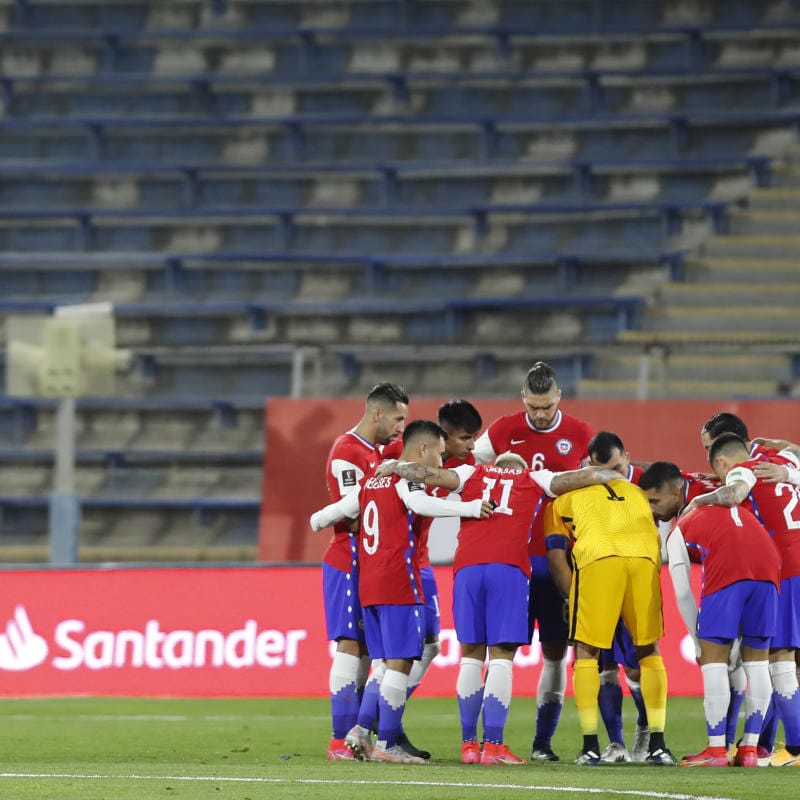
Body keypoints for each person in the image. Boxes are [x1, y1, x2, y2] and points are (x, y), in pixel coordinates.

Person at [381, 454, 623, 765]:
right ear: (520, 469)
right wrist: (617, 476)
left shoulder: (471, 472)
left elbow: (426, 473)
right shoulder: (533, 478)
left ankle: (468, 746)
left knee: (470, 656)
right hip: (507, 569)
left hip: (467, 569)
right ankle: (493, 747)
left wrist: (395, 466)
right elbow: (582, 476)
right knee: (501, 657)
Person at [311, 419, 494, 763]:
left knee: (385, 661)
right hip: (398, 579)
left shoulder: (373, 478)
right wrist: (468, 509)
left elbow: (338, 511)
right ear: (424, 449)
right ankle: (387, 744)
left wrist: (318, 518)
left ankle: (361, 730)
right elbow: (422, 505)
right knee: (402, 660)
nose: (441, 462)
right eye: (439, 453)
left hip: (369, 583)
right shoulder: (402, 478)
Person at [473, 361, 594, 762]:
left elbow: (592, 486)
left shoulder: (579, 435)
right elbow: (472, 469)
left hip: (558, 556)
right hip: (512, 559)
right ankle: (488, 741)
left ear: (559, 396)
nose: (539, 415)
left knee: (557, 651)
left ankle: (542, 744)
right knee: (501, 649)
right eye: (533, 407)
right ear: (522, 399)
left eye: (546, 406)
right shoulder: (505, 429)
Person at [682, 433, 800, 767]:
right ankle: (765, 747)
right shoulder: (786, 463)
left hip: (786, 567)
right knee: (785, 661)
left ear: (722, 462)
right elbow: (794, 452)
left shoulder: (742, 471)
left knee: (779, 659)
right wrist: (783, 451)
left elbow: (733, 494)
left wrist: (699, 503)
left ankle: (795, 749)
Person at [544, 477, 677, 766]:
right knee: (648, 650)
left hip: (599, 559)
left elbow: (556, 556)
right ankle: (658, 745)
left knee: (587, 651)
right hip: (644, 559)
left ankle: (590, 745)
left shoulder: (562, 499)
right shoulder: (637, 491)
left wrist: (571, 598)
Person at [320, 382, 409, 760]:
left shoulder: (378, 452)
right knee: (350, 644)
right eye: (398, 418)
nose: (401, 427)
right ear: (377, 413)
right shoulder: (347, 451)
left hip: (370, 562)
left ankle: (358, 735)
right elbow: (352, 512)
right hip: (347, 559)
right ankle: (339, 739)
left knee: (371, 648)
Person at [667, 503, 779, 767]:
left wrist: (698, 642)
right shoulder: (744, 513)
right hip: (770, 572)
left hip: (727, 577)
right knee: (758, 663)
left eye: (654, 501)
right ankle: (750, 750)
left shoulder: (680, 527)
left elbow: (683, 593)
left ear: (672, 493)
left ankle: (717, 751)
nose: (654, 510)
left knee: (714, 663)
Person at [586, 431, 648, 764]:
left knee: (636, 668)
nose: (610, 475)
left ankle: (645, 729)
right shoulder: (584, 484)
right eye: (602, 469)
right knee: (603, 667)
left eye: (615, 467)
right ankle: (616, 743)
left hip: (635, 585)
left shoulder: (643, 482)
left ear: (627, 455)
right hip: (597, 582)